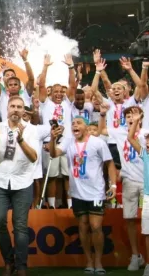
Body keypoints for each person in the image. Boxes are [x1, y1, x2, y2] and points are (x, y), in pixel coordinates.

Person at [49, 116, 117, 275]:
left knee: (96, 226)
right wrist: (52, 140)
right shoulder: (68, 141)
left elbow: (110, 163)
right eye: (73, 124)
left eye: (78, 123)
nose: (75, 126)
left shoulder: (98, 142)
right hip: (77, 192)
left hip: (96, 192)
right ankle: (89, 261)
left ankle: (99, 261)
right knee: (83, 226)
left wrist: (113, 185)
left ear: (86, 127)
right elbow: (54, 154)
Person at [0, 96, 39, 276]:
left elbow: (34, 158)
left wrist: (21, 139)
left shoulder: (31, 130)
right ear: (7, 108)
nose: (16, 109)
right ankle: (9, 262)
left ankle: (21, 265)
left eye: (19, 107)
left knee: (20, 226)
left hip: (23, 182)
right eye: (13, 106)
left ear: (24, 110)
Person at [98, 105, 148, 271]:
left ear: (141, 116)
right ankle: (136, 256)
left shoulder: (146, 133)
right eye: (127, 115)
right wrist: (103, 115)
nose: (130, 117)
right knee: (129, 219)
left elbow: (131, 138)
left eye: (134, 114)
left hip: (146, 181)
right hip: (128, 180)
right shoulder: (118, 132)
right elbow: (100, 131)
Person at [38, 54, 77, 209]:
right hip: (51, 144)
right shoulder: (45, 104)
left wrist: (71, 67)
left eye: (62, 91)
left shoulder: (68, 103)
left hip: (67, 143)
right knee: (52, 177)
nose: (59, 94)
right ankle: (53, 206)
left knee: (68, 177)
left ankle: (69, 206)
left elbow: (73, 86)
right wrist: (45, 67)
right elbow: (41, 85)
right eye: (56, 91)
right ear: (50, 93)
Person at [126, 110, 149, 276]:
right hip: (147, 198)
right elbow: (130, 138)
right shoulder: (145, 155)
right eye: (147, 141)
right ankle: (148, 264)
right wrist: (135, 121)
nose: (147, 143)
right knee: (148, 233)